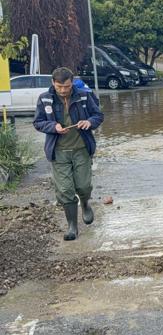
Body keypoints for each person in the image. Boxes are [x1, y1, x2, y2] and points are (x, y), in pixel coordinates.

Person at [33, 67, 104, 241]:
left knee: (84, 186)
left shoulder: (84, 96)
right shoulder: (45, 99)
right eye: (59, 87)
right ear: (53, 83)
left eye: (66, 86)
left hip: (81, 149)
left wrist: (89, 122)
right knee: (65, 190)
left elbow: (98, 116)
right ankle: (72, 226)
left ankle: (85, 204)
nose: (63, 90)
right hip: (58, 152)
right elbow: (38, 122)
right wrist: (53, 127)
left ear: (72, 82)